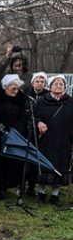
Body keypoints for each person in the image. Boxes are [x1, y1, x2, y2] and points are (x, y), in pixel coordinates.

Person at [0, 74, 28, 199]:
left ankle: (3, 187)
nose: (15, 90)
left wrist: (14, 130)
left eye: (17, 88)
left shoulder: (21, 98)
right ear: (5, 87)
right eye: (13, 88)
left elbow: (23, 116)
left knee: (9, 162)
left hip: (13, 133)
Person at [34, 75, 73, 205]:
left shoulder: (70, 102)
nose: (58, 85)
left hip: (64, 140)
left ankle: (55, 195)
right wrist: (39, 122)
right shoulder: (41, 101)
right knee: (45, 165)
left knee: (61, 166)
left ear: (65, 87)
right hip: (46, 140)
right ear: (50, 87)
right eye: (55, 83)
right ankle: (41, 192)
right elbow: (32, 117)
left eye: (61, 84)